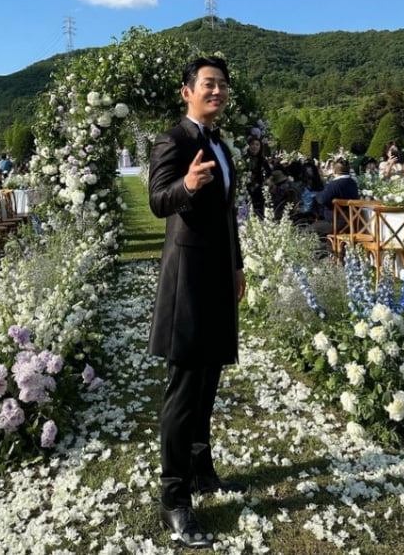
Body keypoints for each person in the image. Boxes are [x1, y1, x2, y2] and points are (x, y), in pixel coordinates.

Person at [148, 56, 246, 549]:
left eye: (223, 85)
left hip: (218, 277)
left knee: (210, 377)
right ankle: (174, 497)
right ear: (187, 91)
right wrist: (185, 186)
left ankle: (201, 467)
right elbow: (157, 200)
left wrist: (238, 267)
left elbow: (229, 216)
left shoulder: (222, 145)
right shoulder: (175, 140)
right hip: (187, 281)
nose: (218, 91)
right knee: (185, 387)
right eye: (209, 84)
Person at [308, 157, 359, 238]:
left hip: (335, 223)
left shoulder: (335, 184)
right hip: (352, 223)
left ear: (334, 171)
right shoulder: (353, 183)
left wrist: (317, 195)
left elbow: (322, 199)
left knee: (308, 229)